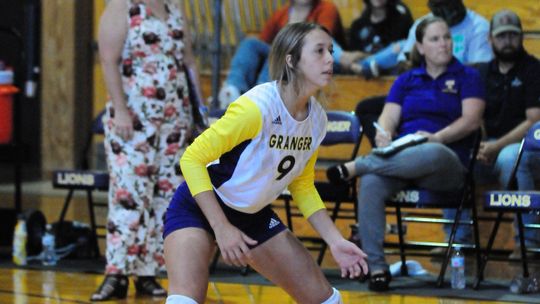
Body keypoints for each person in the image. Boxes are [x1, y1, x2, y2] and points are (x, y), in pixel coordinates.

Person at [163, 22, 368, 304]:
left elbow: (303, 184)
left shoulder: (318, 120)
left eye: (331, 51)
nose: (330, 59)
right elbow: (192, 159)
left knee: (326, 301)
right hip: (200, 206)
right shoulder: (256, 107)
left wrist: (335, 240)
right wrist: (222, 228)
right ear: (292, 60)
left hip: (252, 215)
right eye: (319, 51)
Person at [327, 16, 485, 291]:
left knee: (431, 151)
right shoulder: (406, 80)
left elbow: (471, 121)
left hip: (446, 161)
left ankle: (358, 165)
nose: (444, 44)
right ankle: (376, 267)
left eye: (447, 37)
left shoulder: (468, 76)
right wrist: (384, 134)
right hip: (403, 160)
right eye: (435, 39)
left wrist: (437, 137)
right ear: (420, 47)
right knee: (372, 182)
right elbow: (388, 118)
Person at [91, 0, 204, 301]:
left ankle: (147, 274)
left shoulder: (175, 6)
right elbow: (108, 59)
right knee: (129, 193)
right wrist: (120, 110)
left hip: (175, 118)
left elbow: (189, 61)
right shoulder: (122, 6)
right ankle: (116, 273)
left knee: (166, 196)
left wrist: (199, 112)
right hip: (134, 117)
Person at [357, 0, 493, 147]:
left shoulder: (477, 25)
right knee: (366, 108)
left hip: (457, 90)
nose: (443, 43)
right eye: (438, 6)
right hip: (422, 83)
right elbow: (404, 63)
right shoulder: (422, 24)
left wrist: (439, 65)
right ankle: (387, 144)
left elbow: (481, 69)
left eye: (447, 37)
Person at [475, 10, 540, 257]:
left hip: (529, 147)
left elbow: (534, 120)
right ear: (490, 40)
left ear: (522, 37)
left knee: (510, 158)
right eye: (502, 37)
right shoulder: (482, 72)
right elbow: (476, 114)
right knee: (459, 158)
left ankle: (527, 241)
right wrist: (481, 145)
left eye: (513, 35)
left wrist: (496, 146)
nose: (508, 41)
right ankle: (457, 240)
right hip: (489, 145)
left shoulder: (533, 69)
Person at [217, 0, 346, 108]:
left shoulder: (326, 8)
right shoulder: (282, 13)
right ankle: (233, 89)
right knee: (250, 43)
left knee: (280, 51)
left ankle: (262, 97)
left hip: (322, 60)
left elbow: (320, 42)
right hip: (287, 59)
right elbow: (262, 42)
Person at [333, 0, 413, 78]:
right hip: (359, 71)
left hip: (390, 69)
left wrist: (360, 56)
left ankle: (367, 66)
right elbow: (352, 57)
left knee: (401, 47)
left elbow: (401, 54)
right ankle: (367, 66)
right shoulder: (358, 25)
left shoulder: (400, 20)